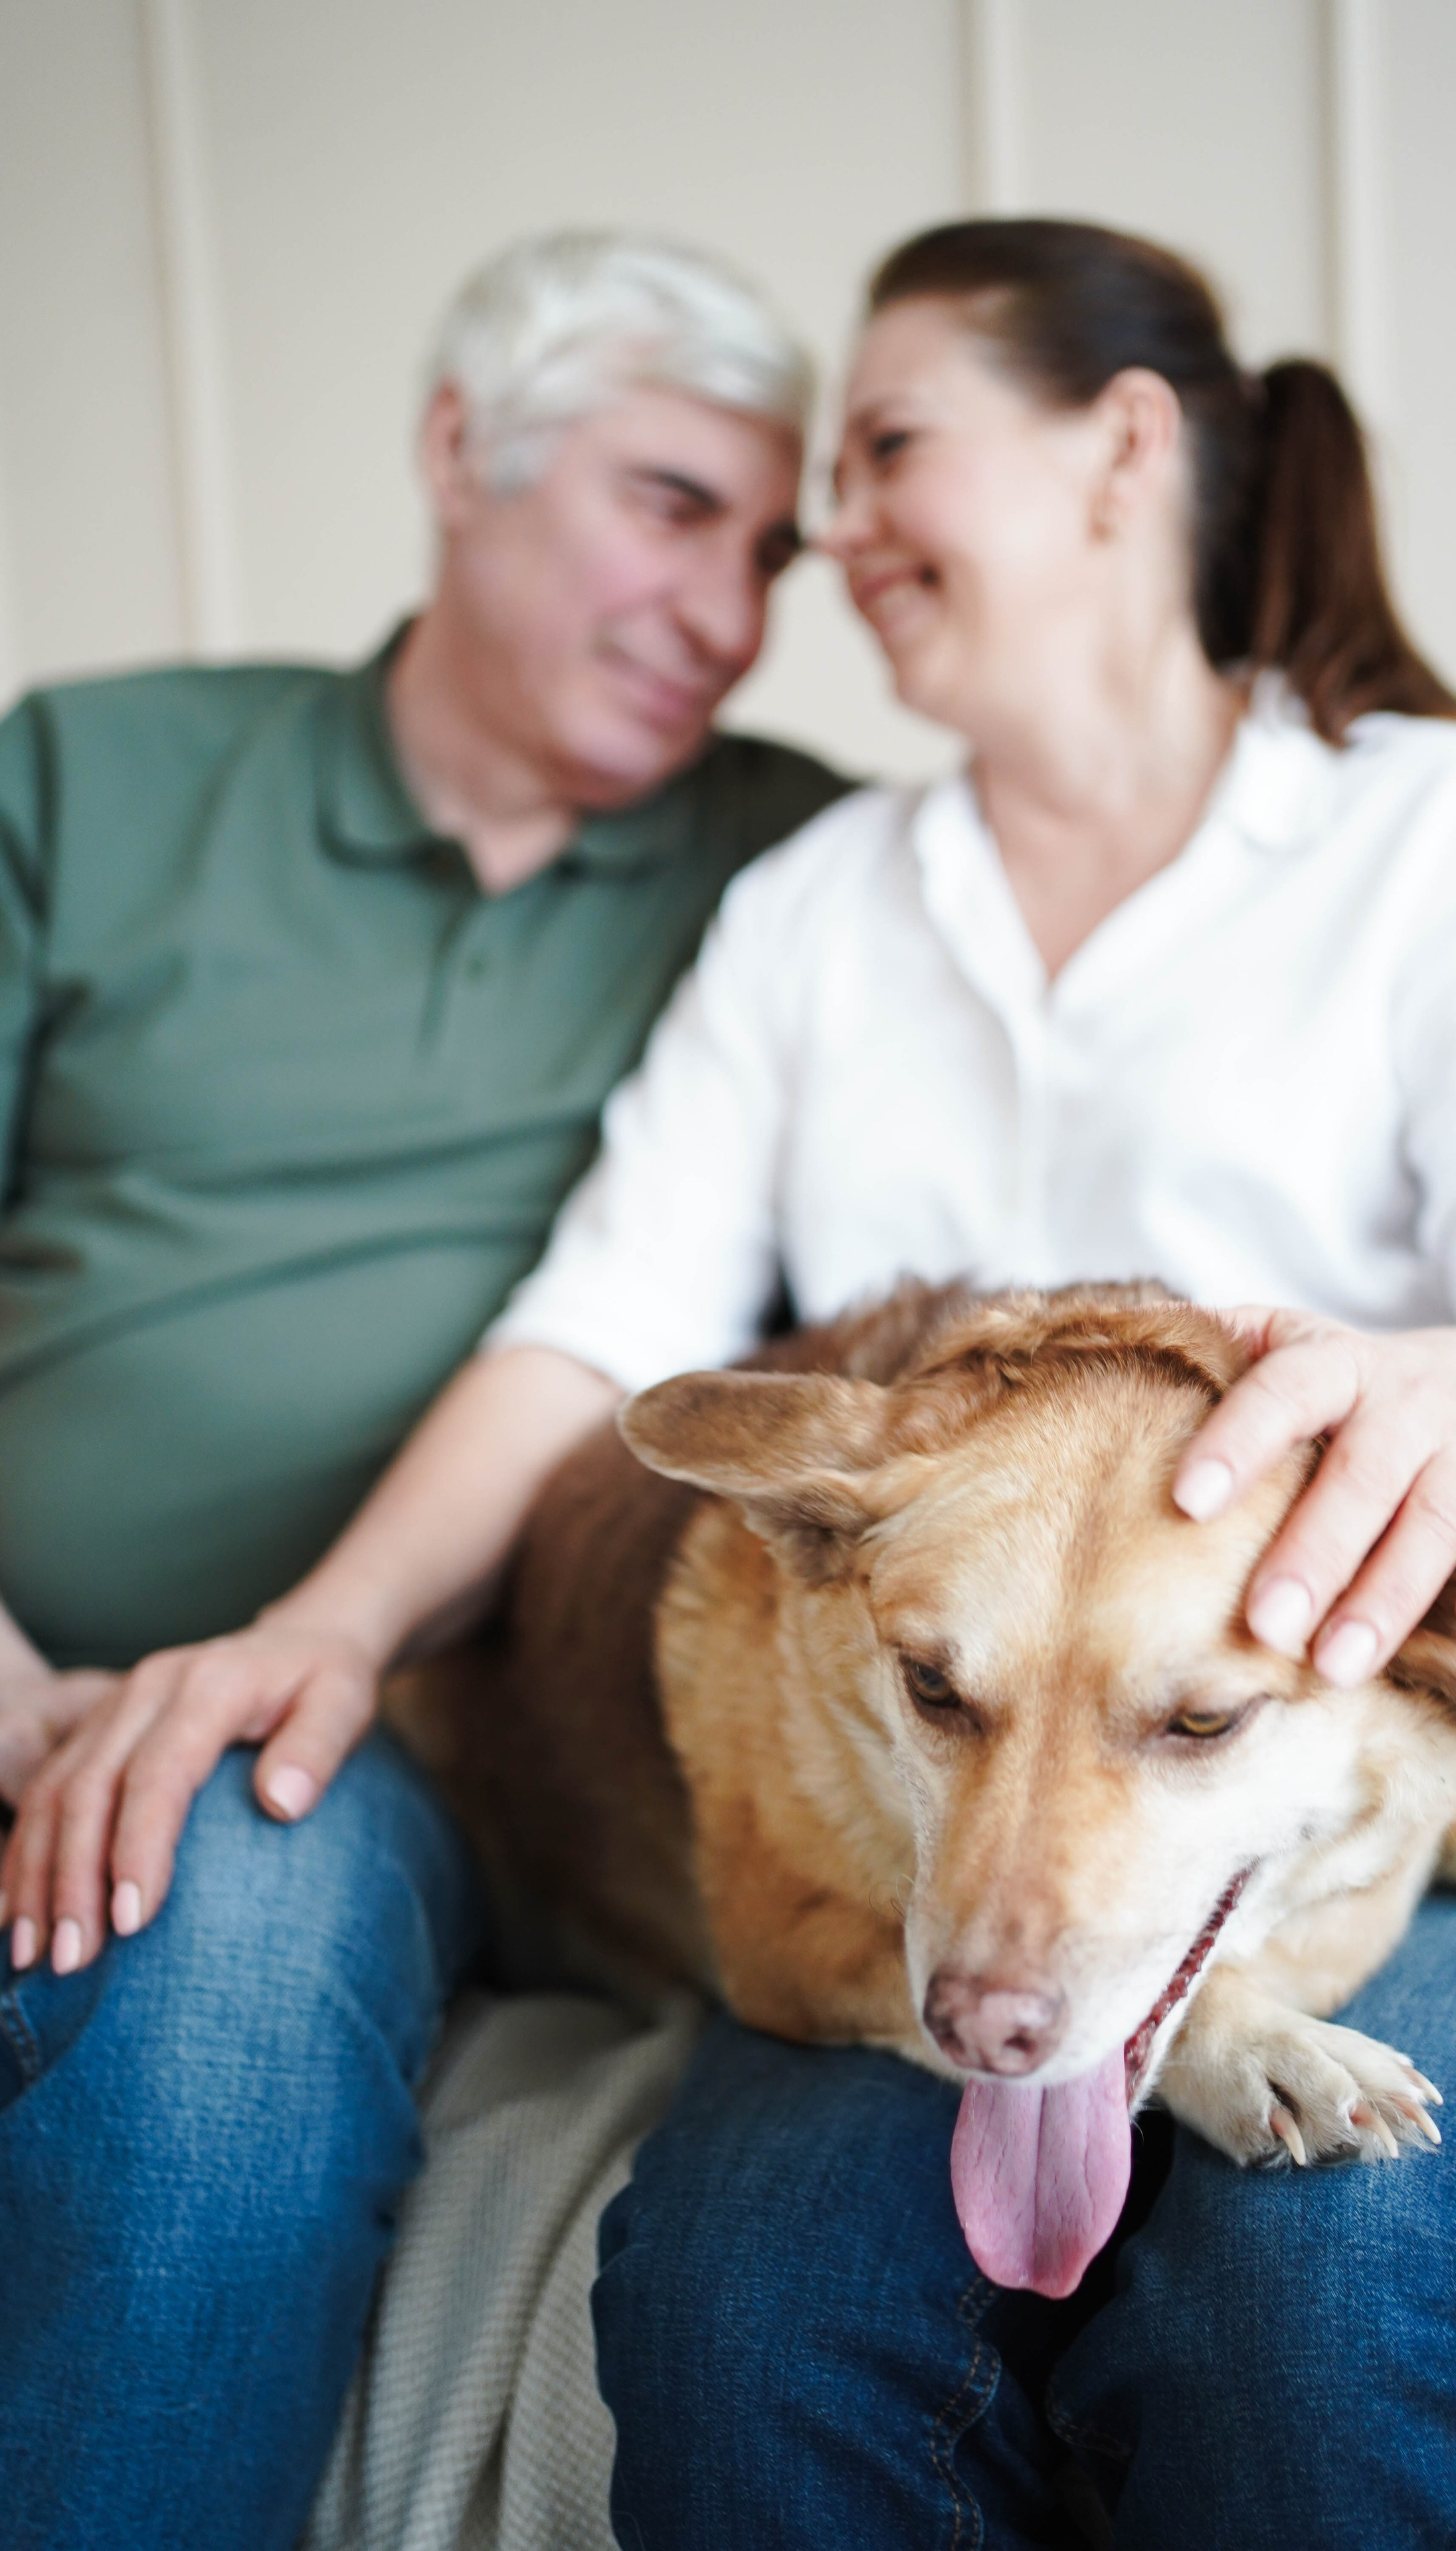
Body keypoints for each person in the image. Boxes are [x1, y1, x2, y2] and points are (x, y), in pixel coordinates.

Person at [9, 214, 1456, 2548]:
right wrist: (333, 1624)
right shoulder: (815, 898)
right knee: (737, 2331)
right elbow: (605, 1323)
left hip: (1433, 1711)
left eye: (885, 450)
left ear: (1124, 450)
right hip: (982, 1735)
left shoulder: (1434, 832)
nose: (823, 541)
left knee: (1332, 2309)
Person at [0, 229, 848, 2550]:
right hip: (33, 1670)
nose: (731, 609)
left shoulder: (802, 861)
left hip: (441, 1717)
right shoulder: (88, 774)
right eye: (672, 506)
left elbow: (1188, 1013)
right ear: (464, 450)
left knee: (214, 1907)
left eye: (770, 552)